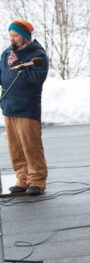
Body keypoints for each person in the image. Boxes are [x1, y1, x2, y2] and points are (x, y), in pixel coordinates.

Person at [0, 20, 49, 195]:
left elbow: (37, 79)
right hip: (9, 106)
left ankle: (37, 180)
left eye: (16, 35)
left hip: (27, 107)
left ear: (25, 36)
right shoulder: (7, 52)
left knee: (30, 145)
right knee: (15, 147)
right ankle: (22, 178)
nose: (12, 39)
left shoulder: (37, 54)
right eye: (11, 35)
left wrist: (17, 64)